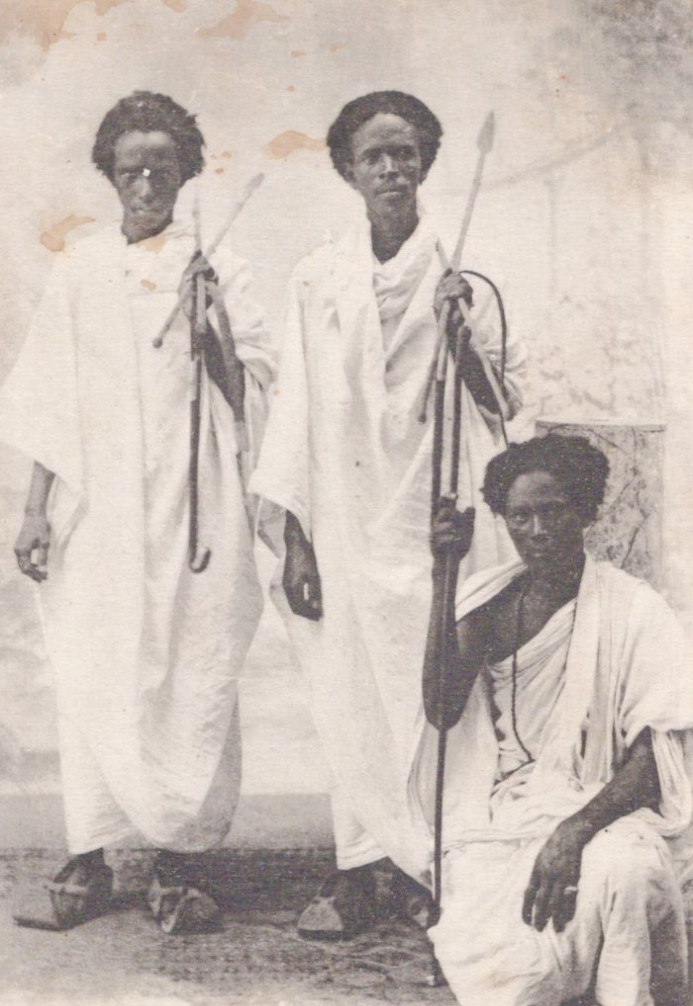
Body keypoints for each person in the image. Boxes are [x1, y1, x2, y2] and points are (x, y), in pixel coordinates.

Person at [251, 90, 526, 938]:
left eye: (404, 153)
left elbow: (502, 405)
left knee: (439, 688)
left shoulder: (465, 272)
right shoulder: (317, 277)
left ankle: (432, 863)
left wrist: (461, 337)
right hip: (343, 514)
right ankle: (359, 870)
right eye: (373, 155)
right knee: (349, 690)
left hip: (437, 515)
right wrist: (295, 536)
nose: (390, 169)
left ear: (424, 163)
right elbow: (295, 406)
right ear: (348, 169)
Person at [1, 92, 275, 933]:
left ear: (186, 173)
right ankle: (89, 853)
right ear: (110, 176)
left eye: (162, 168)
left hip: (196, 505)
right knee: (94, 665)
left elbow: (257, 391)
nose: (146, 183)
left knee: (193, 663)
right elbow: (50, 400)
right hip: (99, 508)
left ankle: (181, 861)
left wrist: (211, 325)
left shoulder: (221, 266)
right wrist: (35, 511)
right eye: (131, 170)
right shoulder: (79, 269)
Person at [421, 434, 692, 1006]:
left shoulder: (635, 609)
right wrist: (444, 574)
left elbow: (654, 761)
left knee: (624, 868)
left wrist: (572, 832)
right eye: (521, 516)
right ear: (505, 521)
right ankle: (573, 967)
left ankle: (615, 992)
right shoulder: (489, 605)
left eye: (554, 511)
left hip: (608, 810)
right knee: (511, 988)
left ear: (587, 511)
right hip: (510, 815)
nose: (538, 530)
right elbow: (441, 709)